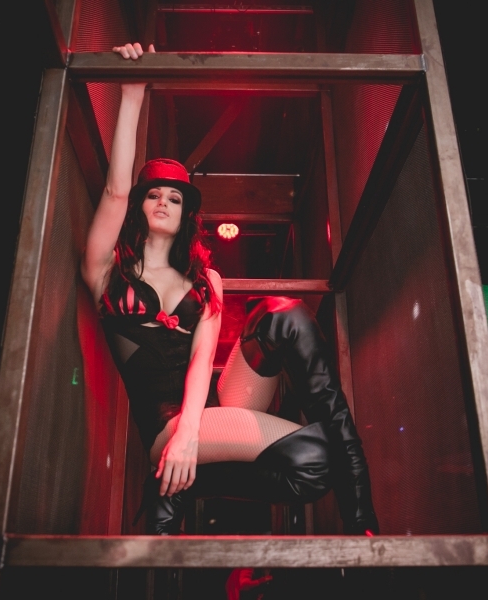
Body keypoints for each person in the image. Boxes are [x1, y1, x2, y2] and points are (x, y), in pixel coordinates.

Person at [81, 42, 378, 536]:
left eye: (174, 198)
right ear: (139, 206)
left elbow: (202, 363)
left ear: (186, 214)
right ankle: (183, 479)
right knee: (314, 459)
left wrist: (193, 434)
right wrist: (132, 91)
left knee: (285, 313)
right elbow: (114, 191)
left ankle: (361, 512)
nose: (163, 202)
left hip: (211, 408)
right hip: (164, 427)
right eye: (153, 194)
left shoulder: (206, 281)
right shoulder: (106, 272)